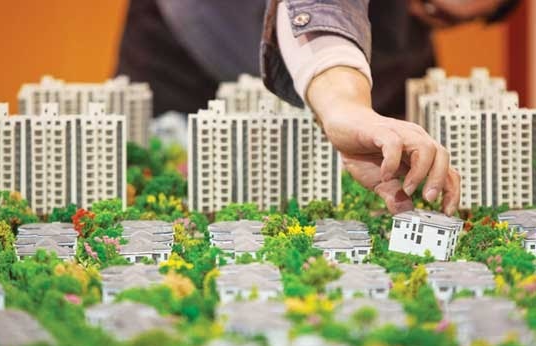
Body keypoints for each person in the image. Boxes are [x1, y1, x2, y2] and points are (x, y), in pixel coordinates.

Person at [117, 0, 518, 215]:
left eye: (440, 17)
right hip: (197, 43)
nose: (412, 11)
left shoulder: (403, 37)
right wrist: (345, 104)